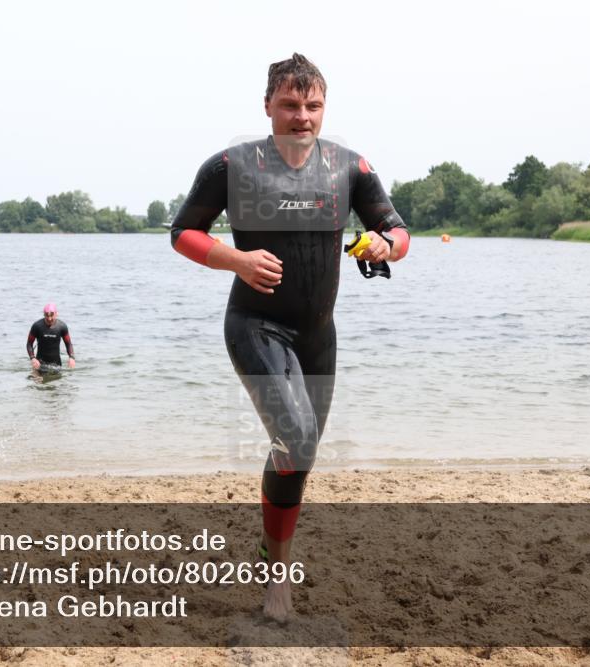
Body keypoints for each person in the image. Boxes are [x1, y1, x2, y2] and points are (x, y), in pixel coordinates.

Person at [169, 53, 410, 621]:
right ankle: (279, 580)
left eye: (313, 106)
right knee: (296, 437)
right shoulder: (231, 165)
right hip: (255, 324)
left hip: (317, 334)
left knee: (298, 456)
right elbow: (183, 233)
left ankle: (271, 557)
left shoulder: (350, 166)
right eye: (290, 105)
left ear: (324, 108)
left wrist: (383, 245)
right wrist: (235, 259)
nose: (302, 116)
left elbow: (397, 230)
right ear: (268, 107)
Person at [27, 303, 76, 370]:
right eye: (47, 316)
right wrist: (32, 358)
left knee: (57, 380)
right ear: (44, 314)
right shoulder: (37, 326)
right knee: (36, 379)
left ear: (56, 314)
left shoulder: (62, 326)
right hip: (39, 364)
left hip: (56, 365)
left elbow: (68, 343)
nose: (49, 318)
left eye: (52, 315)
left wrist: (71, 357)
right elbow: (29, 343)